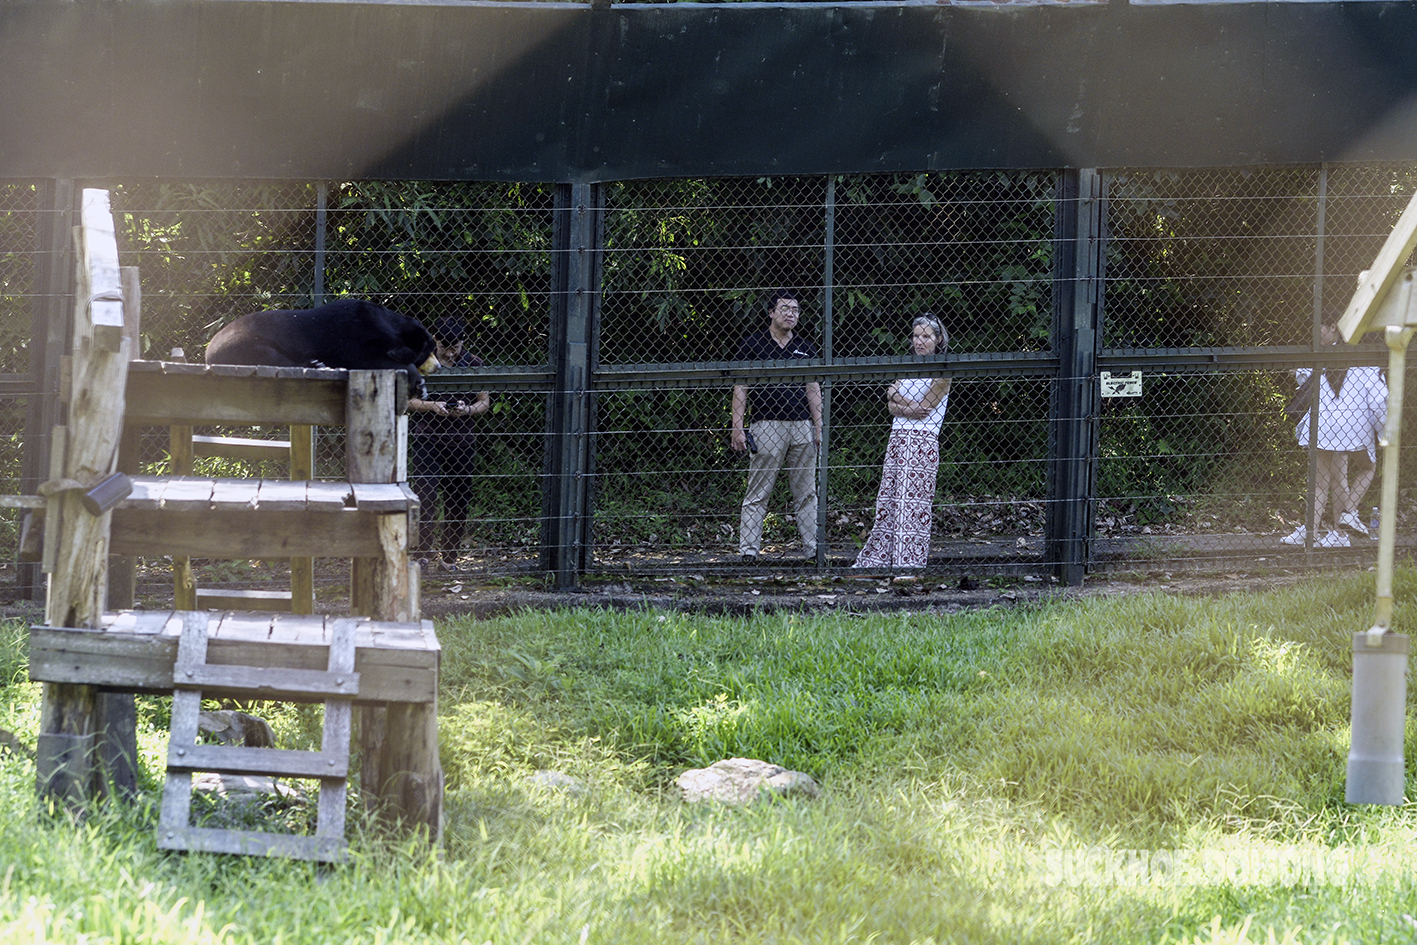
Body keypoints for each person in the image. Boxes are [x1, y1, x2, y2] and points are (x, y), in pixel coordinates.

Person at [730, 290, 823, 563]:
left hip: (802, 426)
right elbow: (741, 388)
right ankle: (748, 551)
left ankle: (812, 550)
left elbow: (813, 389)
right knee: (758, 491)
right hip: (766, 425)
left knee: (807, 492)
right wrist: (737, 427)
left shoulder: (806, 347)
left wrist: (818, 426)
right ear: (771, 312)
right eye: (784, 309)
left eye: (795, 309)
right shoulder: (752, 344)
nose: (790, 314)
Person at [853, 315, 951, 569]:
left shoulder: (943, 371)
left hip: (922, 443)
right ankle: (881, 559)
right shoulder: (907, 366)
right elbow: (890, 406)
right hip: (898, 440)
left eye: (926, 337)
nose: (919, 342)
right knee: (889, 501)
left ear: (938, 340)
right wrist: (903, 404)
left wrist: (899, 399)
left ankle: (909, 563)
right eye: (916, 336)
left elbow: (925, 408)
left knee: (914, 506)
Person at [1281, 323, 1387, 549]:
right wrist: (1384, 433)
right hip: (1352, 430)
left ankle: (1311, 531)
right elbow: (1379, 400)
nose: (1315, 333)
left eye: (1321, 329)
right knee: (1366, 468)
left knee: (1323, 482)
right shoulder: (1365, 359)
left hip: (1323, 428)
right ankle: (1343, 523)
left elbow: (1311, 380)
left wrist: (1299, 372)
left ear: (1334, 329)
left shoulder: (1325, 355)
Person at [406, 317, 490, 569]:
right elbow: (408, 400)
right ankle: (422, 554)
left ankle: (450, 558)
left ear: (463, 342)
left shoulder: (474, 363)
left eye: (455, 348)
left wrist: (467, 410)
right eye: (444, 347)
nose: (450, 353)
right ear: (435, 341)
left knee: (458, 499)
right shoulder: (422, 361)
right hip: (427, 438)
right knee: (426, 496)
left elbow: (484, 402)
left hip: (462, 441)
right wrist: (432, 406)